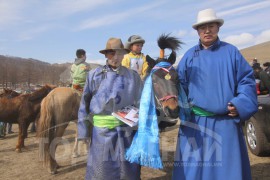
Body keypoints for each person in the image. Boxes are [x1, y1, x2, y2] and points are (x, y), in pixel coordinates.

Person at [173, 9, 258, 180]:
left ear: (218, 27)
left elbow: (246, 81)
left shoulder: (231, 52)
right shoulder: (189, 56)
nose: (207, 31)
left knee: (227, 172)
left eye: (211, 26)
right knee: (193, 171)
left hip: (225, 124)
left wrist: (240, 103)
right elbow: (178, 87)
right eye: (202, 27)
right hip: (195, 124)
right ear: (197, 31)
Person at [77, 38, 142, 180]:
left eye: (119, 54)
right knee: (101, 171)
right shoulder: (94, 75)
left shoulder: (133, 77)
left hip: (126, 133)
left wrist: (140, 129)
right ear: (106, 55)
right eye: (112, 54)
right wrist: (83, 132)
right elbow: (84, 104)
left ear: (124, 55)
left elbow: (140, 103)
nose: (116, 57)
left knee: (128, 171)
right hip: (102, 133)